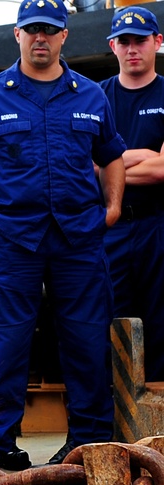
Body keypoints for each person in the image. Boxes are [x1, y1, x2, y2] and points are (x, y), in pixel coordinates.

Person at [0, 0, 125, 468]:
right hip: (13, 240)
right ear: (17, 36)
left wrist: (113, 208)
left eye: (50, 29)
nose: (40, 37)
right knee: (5, 344)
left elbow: (112, 156)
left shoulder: (90, 95)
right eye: (31, 30)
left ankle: (88, 445)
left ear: (65, 36)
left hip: (79, 238)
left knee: (85, 342)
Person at [100, 6, 164, 382]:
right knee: (112, 321)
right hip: (111, 225)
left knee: (159, 320)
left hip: (157, 226)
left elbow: (163, 171)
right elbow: (86, 166)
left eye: (140, 40)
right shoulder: (97, 97)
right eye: (123, 41)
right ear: (112, 45)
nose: (131, 49)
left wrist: (114, 164)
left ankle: (158, 423)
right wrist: (144, 157)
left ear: (157, 41)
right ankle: (117, 423)